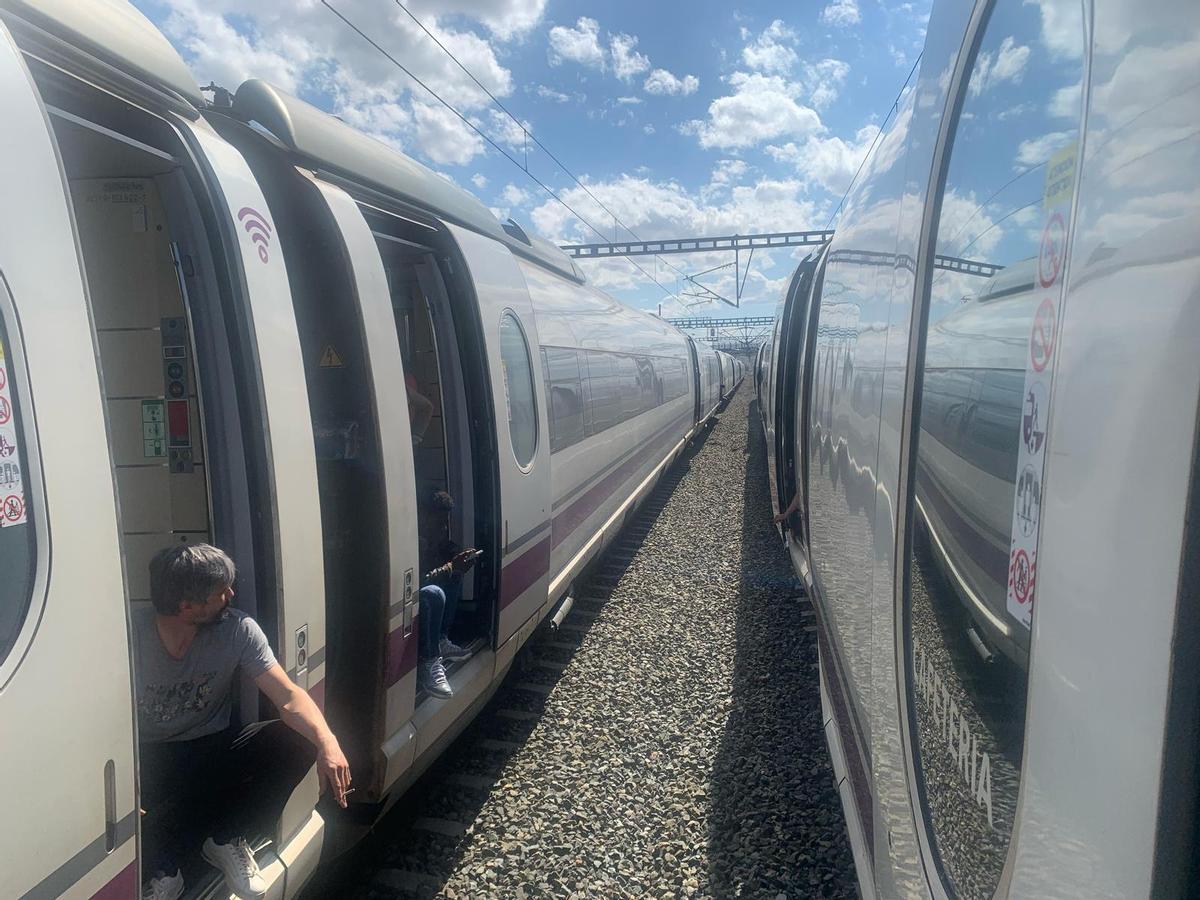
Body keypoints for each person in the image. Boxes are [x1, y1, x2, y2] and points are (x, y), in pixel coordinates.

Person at [135, 544, 351, 900]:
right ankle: (166, 871)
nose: (231, 595)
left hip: (212, 747)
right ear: (186, 607)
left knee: (298, 739)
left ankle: (225, 839)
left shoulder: (238, 629)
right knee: (150, 815)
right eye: (221, 592)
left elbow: (289, 695)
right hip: (148, 758)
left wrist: (328, 741)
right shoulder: (130, 638)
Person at [416, 490, 481, 698]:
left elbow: (445, 551)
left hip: (423, 598)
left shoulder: (433, 537)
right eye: (438, 521)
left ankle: (441, 639)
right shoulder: (411, 540)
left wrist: (457, 558)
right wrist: (449, 567)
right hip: (410, 603)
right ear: (423, 516)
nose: (443, 527)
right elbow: (416, 584)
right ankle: (429, 659)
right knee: (434, 593)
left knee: (455, 576)